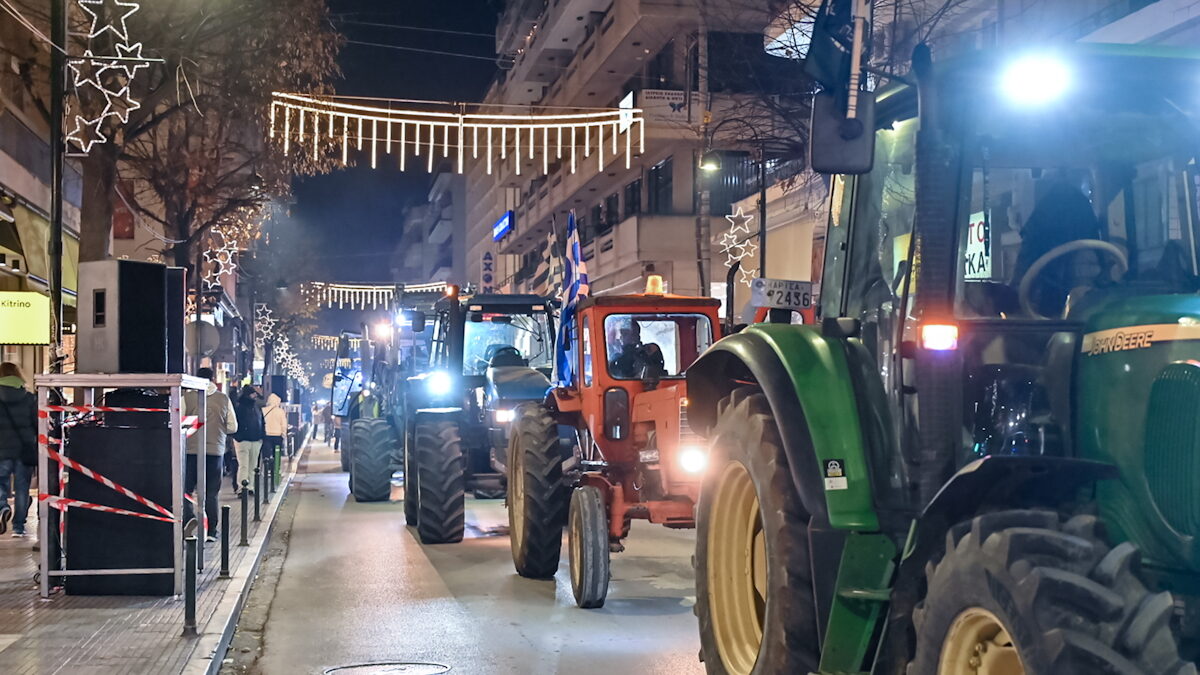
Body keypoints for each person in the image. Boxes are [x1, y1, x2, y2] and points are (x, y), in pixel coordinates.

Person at [184, 367, 237, 542]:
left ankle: (189, 522)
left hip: (191, 451)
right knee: (211, 493)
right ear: (213, 378)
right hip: (215, 452)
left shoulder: (187, 397)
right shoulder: (223, 399)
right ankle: (212, 530)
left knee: (186, 491)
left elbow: (178, 423)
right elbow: (233, 427)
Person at [0, 362, 37, 536]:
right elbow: (37, 424)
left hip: (1, 450)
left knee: (1, 483)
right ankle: (18, 527)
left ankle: (2, 507)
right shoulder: (29, 398)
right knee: (22, 488)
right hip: (24, 449)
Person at [231, 385, 265, 497]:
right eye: (253, 393)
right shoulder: (241, 407)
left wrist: (261, 436)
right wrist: (238, 436)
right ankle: (242, 487)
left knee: (252, 465)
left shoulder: (255, 406)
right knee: (244, 465)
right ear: (248, 394)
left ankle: (250, 487)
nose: (255, 395)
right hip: (243, 440)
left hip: (254, 439)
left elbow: (262, 422)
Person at [262, 392, 287, 471]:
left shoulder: (263, 410)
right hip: (277, 435)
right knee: (276, 453)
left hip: (266, 434)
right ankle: (276, 469)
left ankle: (267, 469)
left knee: (267, 453)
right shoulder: (280, 411)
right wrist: (283, 433)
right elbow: (284, 424)